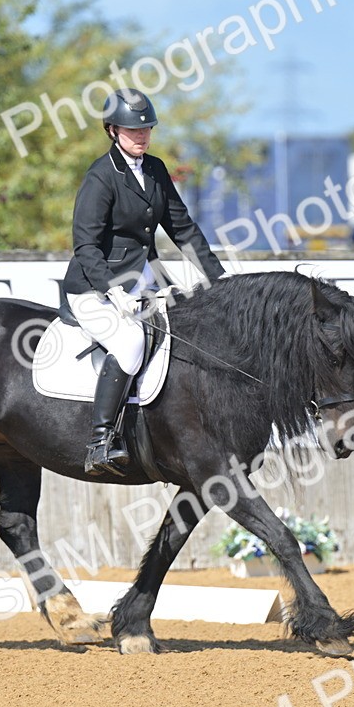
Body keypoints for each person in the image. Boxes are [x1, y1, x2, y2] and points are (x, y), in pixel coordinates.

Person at [61, 88, 226, 477]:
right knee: (131, 341)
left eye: (147, 129)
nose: (142, 136)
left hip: (144, 281)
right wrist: (111, 288)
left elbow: (183, 228)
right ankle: (100, 440)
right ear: (112, 131)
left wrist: (219, 281)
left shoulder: (153, 169)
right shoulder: (101, 176)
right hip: (93, 287)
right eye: (133, 130)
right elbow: (84, 243)